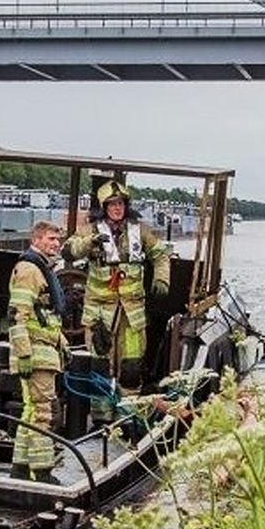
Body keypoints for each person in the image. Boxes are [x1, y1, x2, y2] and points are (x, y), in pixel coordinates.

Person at [62, 180, 170, 427]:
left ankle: (128, 418)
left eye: (121, 204)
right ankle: (101, 419)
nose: (117, 208)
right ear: (104, 207)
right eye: (112, 204)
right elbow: (68, 251)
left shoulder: (139, 230)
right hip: (101, 313)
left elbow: (160, 254)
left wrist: (162, 278)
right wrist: (89, 243)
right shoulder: (90, 230)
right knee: (100, 366)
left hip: (132, 313)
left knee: (132, 366)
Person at [7, 220, 70, 484]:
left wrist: (62, 343)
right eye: (51, 239)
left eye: (58, 240)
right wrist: (23, 354)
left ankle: (20, 468)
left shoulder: (42, 269)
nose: (56, 244)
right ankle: (41, 472)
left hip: (44, 350)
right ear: (37, 240)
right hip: (35, 353)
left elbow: (45, 315)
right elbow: (17, 315)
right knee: (43, 412)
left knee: (30, 410)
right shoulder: (30, 270)